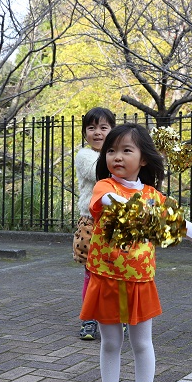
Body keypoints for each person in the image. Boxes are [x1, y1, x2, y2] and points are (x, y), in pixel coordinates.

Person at [81, 123, 192, 382]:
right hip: (106, 278)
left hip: (140, 281)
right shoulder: (105, 187)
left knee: (141, 343)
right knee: (110, 342)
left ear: (143, 159)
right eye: (112, 151)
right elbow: (107, 202)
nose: (117, 156)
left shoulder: (154, 196)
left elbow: (180, 225)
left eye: (126, 150)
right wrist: (145, 211)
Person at [73, 107, 115, 340]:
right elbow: (99, 172)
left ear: (112, 131)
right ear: (85, 133)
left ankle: (116, 317)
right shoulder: (85, 156)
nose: (97, 132)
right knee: (93, 274)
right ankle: (89, 319)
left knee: (117, 273)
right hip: (91, 222)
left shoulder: (119, 155)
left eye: (103, 127)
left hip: (117, 224)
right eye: (91, 128)